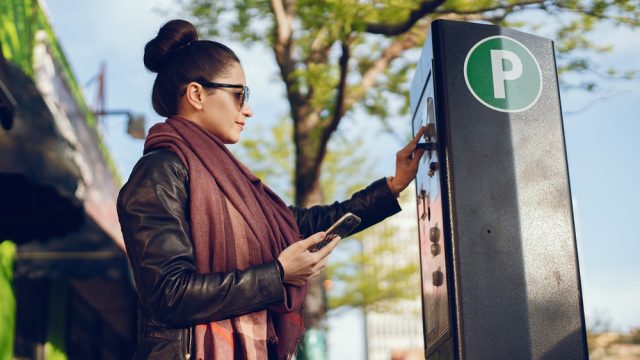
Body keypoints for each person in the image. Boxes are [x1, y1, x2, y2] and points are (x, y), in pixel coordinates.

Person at [117, 19, 426, 360]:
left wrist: (394, 186)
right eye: (239, 95)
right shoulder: (159, 172)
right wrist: (277, 275)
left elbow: (301, 223)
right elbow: (168, 295)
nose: (247, 109)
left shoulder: (233, 183)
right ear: (196, 94)